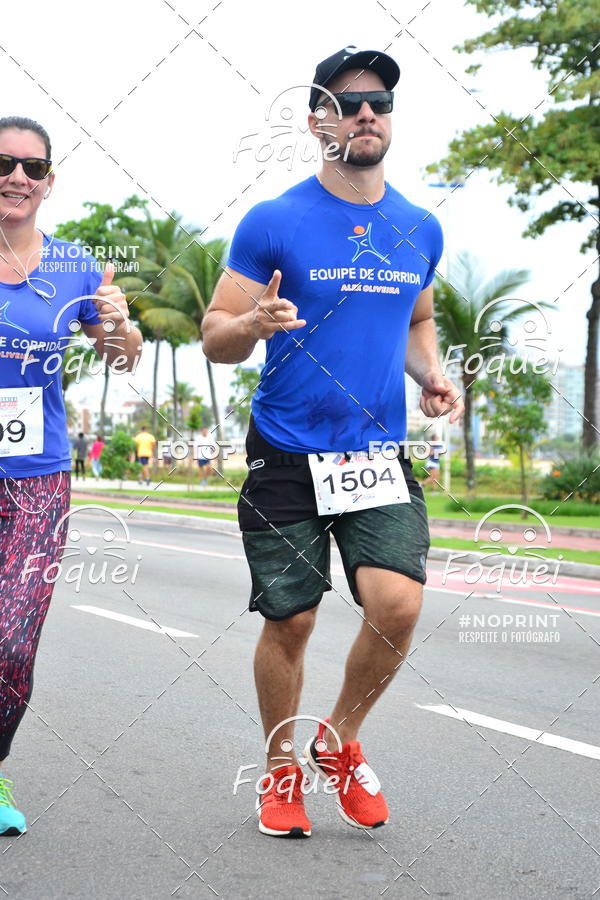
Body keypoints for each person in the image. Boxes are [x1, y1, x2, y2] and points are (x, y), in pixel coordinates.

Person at [202, 47, 463, 838]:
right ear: (317, 119)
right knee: (293, 620)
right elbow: (215, 335)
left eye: (379, 102)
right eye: (348, 104)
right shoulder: (274, 220)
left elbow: (417, 322)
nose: (366, 114)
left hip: (374, 453)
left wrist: (433, 375)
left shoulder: (419, 227)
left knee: (399, 602)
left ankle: (339, 738)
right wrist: (252, 323)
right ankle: (280, 773)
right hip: (285, 447)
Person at [0, 116, 143, 835]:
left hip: (38, 477)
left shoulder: (76, 267)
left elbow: (125, 356)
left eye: (32, 167)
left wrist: (119, 322)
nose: (17, 176)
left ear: (49, 183)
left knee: (12, 641)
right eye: (5, 162)